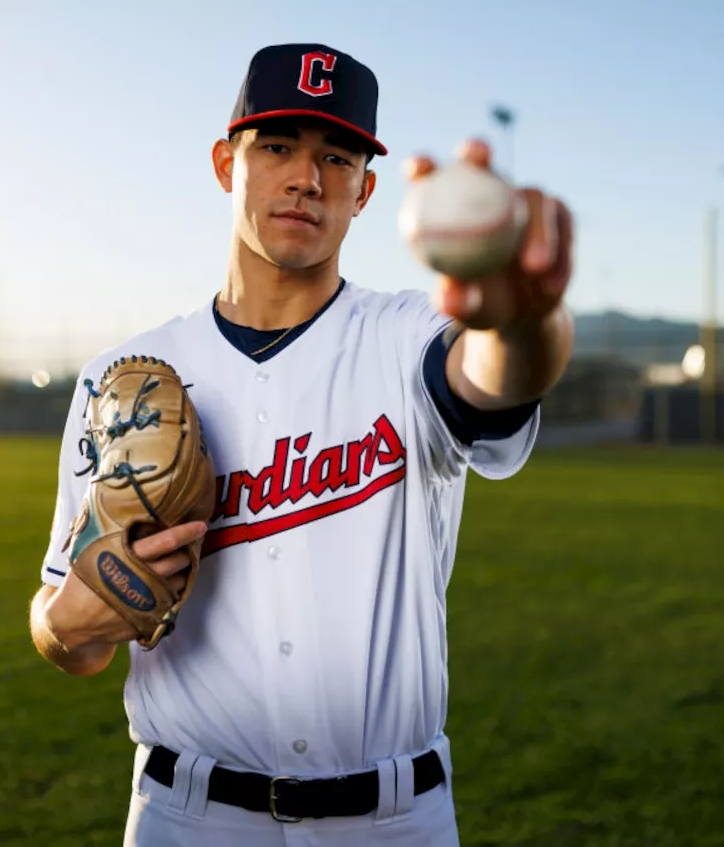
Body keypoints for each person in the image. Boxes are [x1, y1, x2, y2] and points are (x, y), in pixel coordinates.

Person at [29, 42, 574, 846]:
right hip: (188, 818)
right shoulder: (126, 379)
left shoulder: (407, 337)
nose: (306, 178)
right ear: (226, 163)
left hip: (393, 822)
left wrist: (522, 314)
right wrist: (70, 625)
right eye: (277, 146)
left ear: (365, 191)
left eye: (336, 156)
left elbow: (497, 375)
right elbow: (59, 630)